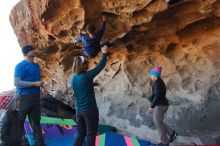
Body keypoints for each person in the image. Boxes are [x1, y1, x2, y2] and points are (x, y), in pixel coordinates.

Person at [70, 46, 109, 146]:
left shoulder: (72, 78)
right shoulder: (87, 75)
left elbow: (80, 88)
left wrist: (92, 84)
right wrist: (104, 53)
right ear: (83, 65)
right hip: (90, 110)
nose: (88, 64)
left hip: (79, 110)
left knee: (81, 134)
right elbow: (100, 66)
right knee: (91, 134)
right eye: (86, 62)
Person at [14, 45, 45, 146]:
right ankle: (17, 143)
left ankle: (40, 143)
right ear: (26, 53)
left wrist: (41, 85)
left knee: (36, 122)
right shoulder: (20, 66)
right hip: (23, 97)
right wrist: (34, 83)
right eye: (31, 50)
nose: (34, 51)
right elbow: (17, 82)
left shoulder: (36, 66)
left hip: (35, 97)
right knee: (19, 121)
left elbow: (36, 80)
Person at [148, 66, 177, 146]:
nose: (150, 76)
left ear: (154, 75)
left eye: (151, 75)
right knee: (158, 122)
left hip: (160, 105)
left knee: (157, 122)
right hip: (162, 104)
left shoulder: (157, 83)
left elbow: (157, 96)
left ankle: (165, 142)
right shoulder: (159, 82)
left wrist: (151, 106)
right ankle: (172, 133)